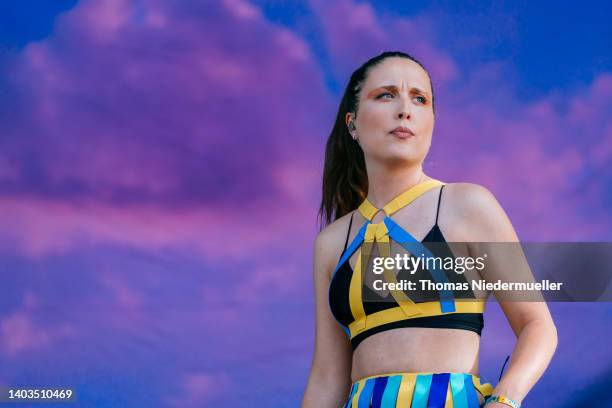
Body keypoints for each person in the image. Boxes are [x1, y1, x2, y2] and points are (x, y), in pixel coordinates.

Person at [301, 51, 557, 408]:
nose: (405, 109)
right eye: (386, 94)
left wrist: (504, 400)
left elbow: (537, 326)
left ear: (432, 121)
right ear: (353, 123)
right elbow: (327, 378)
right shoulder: (331, 243)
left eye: (420, 99)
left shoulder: (468, 206)